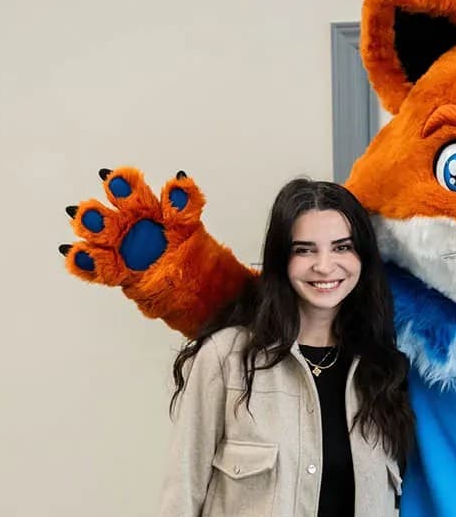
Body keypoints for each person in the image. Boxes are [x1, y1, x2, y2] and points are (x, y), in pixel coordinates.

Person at [160, 178, 414, 517]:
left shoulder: (385, 369)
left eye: (342, 247)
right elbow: (181, 493)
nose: (324, 266)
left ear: (363, 258)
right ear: (282, 260)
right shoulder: (226, 358)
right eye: (304, 249)